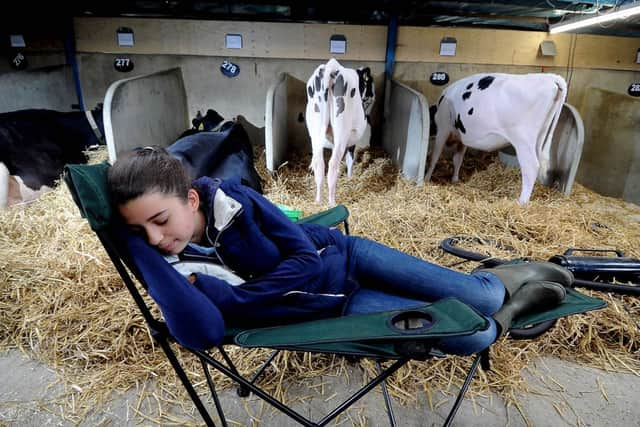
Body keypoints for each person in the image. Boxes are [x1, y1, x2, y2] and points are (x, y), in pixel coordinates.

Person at [107, 146, 572, 354]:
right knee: (471, 335)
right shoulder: (171, 265)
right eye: (138, 230)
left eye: (160, 220)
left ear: (190, 199)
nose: (155, 237)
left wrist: (241, 300)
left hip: (346, 258)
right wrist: (137, 249)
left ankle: (502, 277)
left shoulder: (236, 201)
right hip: (341, 306)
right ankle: (513, 314)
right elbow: (202, 332)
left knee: (483, 299)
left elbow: (305, 260)